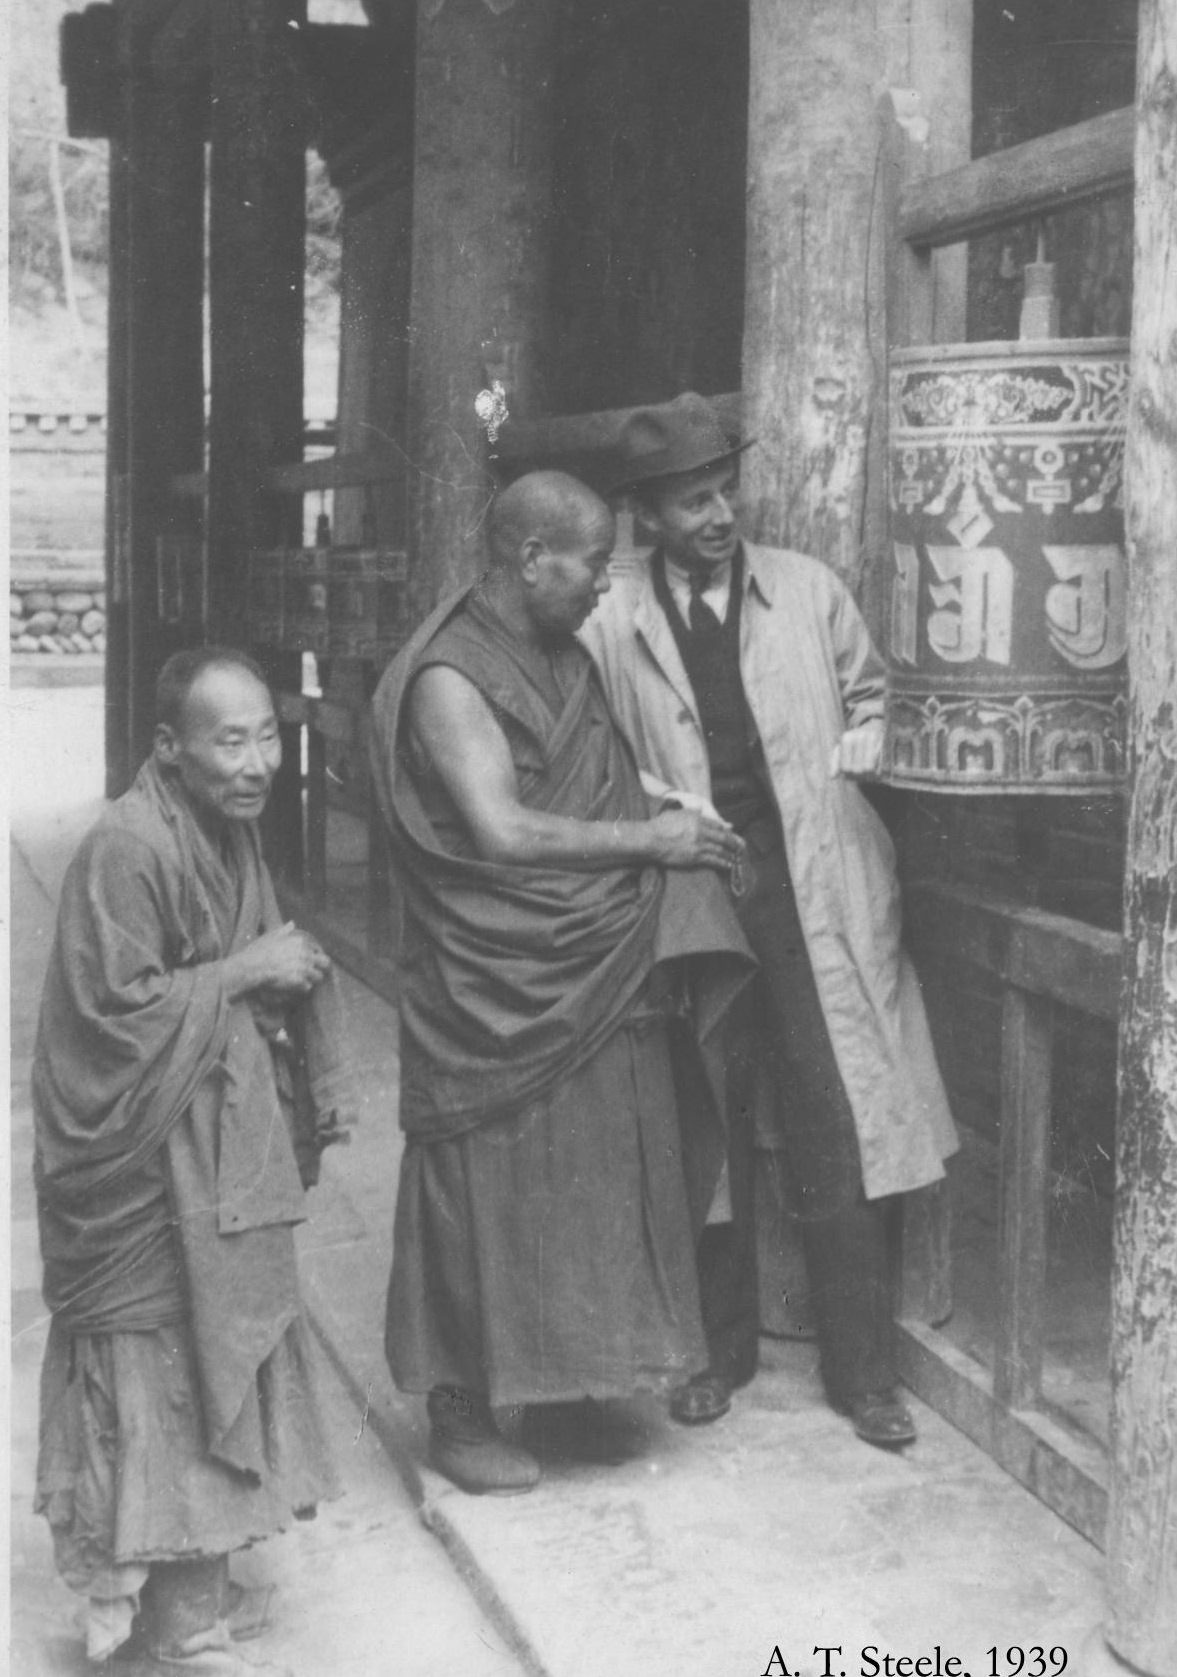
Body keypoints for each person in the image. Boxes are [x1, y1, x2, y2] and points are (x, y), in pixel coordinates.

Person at [581, 392, 958, 1446]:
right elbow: (598, 756)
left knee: (833, 1112)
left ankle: (863, 1374)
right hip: (693, 893)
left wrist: (856, 751)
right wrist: (663, 817)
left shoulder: (804, 591)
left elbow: (877, 697)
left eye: (723, 491)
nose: (716, 514)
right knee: (705, 1116)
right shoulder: (613, 619)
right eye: (690, 501)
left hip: (808, 887)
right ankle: (715, 1353)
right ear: (644, 517)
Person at [369, 469, 754, 1495]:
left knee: (593, 1160)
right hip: (492, 974)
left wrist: (671, 811)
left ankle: (575, 1379)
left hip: (588, 951)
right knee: (481, 1177)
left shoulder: (561, 652)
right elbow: (497, 829)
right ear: (531, 557)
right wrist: (652, 843)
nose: (603, 586)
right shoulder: (451, 676)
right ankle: (459, 1408)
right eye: (591, 563)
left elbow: (600, 777)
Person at [32, 647, 352, 1676]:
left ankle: (191, 1598)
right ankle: (170, 1621)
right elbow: (109, 1023)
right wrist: (247, 971)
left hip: (210, 1153)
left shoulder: (226, 832)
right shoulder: (127, 846)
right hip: (138, 1165)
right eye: (230, 740)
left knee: (217, 1339)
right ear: (170, 748)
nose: (257, 761)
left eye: (267, 734)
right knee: (158, 1355)